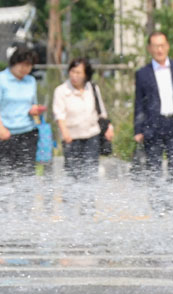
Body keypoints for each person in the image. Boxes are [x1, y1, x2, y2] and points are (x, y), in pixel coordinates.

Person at [133, 31, 173, 213]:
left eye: (162, 45)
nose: (159, 50)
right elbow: (139, 103)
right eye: (155, 46)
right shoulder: (143, 74)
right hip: (152, 126)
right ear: (149, 48)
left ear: (167, 46)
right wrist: (138, 129)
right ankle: (159, 208)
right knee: (154, 169)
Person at [52, 57, 114, 214]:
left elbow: (101, 111)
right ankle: (69, 212)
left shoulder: (92, 88)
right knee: (72, 175)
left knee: (90, 174)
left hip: (91, 136)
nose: (75, 75)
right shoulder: (61, 91)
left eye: (78, 72)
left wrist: (109, 127)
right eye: (72, 71)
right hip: (71, 138)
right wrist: (65, 133)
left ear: (86, 74)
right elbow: (59, 115)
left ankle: (88, 211)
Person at [0, 47, 44, 198]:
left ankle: (24, 209)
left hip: (28, 134)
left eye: (29, 65)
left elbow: (31, 103)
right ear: (14, 62)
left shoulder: (31, 81)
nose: (26, 69)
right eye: (23, 64)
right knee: (6, 176)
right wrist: (0, 128)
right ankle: (3, 209)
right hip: (6, 134)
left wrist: (34, 110)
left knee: (27, 175)